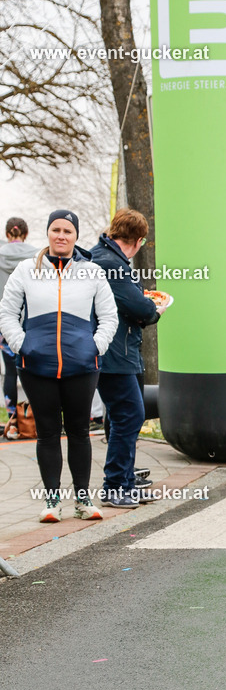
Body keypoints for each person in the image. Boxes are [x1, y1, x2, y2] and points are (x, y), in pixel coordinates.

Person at [0, 209, 118, 521]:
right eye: (56, 229)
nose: (61, 236)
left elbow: (109, 317)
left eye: (68, 231)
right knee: (47, 433)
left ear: (76, 236)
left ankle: (83, 499)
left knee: (79, 432)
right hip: (37, 366)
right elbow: (7, 312)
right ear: (48, 232)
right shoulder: (27, 269)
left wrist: (94, 347)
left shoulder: (92, 272)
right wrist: (22, 345)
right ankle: (52, 501)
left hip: (82, 366)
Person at [90, 209, 167, 508]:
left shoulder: (108, 258)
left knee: (121, 416)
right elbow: (140, 308)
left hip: (122, 351)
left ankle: (126, 483)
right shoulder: (110, 264)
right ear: (137, 240)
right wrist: (154, 309)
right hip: (114, 354)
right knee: (130, 415)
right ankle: (114, 487)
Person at [0, 217, 40, 431]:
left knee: (10, 370)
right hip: (31, 322)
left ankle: (13, 421)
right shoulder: (37, 256)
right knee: (34, 369)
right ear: (26, 233)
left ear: (8, 234)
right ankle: (34, 418)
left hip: (4, 323)